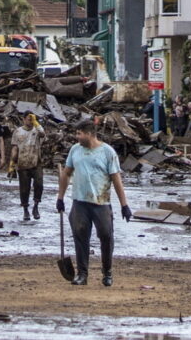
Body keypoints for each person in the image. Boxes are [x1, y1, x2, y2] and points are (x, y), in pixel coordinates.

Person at [56, 119, 132, 286]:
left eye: (79, 133)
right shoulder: (75, 150)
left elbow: (116, 179)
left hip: (101, 203)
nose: (77, 137)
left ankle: (107, 272)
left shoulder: (107, 152)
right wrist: (60, 198)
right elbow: (66, 173)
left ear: (89, 134)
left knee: (106, 236)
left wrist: (124, 205)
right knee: (80, 236)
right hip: (79, 202)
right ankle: (82, 274)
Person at [10, 111, 45, 221]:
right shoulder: (18, 131)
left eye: (32, 119)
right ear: (23, 119)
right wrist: (12, 164)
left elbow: (43, 133)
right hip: (23, 163)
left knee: (39, 184)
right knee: (24, 189)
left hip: (36, 161)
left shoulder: (37, 130)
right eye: (28, 119)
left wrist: (36, 123)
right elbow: (15, 148)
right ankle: (25, 209)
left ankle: (36, 206)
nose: (30, 121)